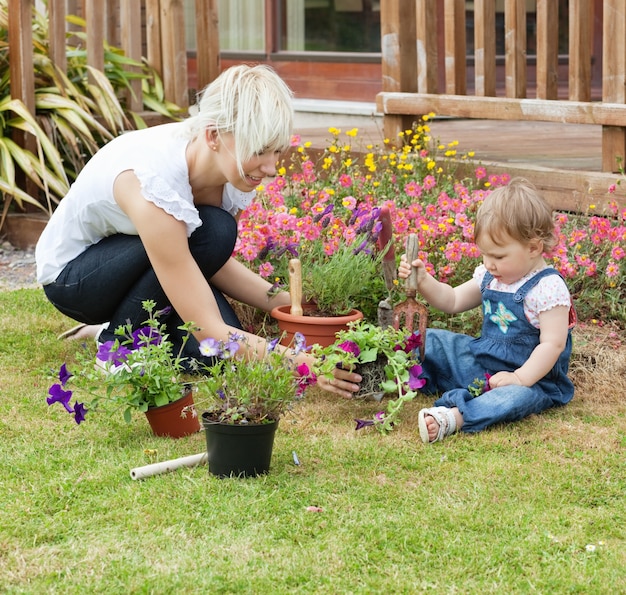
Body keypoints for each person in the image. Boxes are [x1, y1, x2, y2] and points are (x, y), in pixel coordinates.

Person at [35, 64, 360, 397]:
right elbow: (208, 327)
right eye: (259, 151)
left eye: (277, 150)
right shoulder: (154, 182)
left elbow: (208, 261)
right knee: (216, 300)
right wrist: (305, 365)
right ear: (214, 136)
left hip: (142, 263)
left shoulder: (224, 170)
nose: (272, 167)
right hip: (76, 280)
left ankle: (127, 323)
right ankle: (119, 344)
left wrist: (297, 303)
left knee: (214, 359)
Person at [398, 177, 576, 443]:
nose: (490, 264)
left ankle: (455, 417)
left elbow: (553, 344)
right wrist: (424, 281)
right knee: (432, 340)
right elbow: (453, 300)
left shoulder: (548, 288)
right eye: (485, 254)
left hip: (533, 380)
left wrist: (519, 377)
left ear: (533, 247)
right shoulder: (489, 277)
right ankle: (391, 374)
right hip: (482, 366)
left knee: (513, 399)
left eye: (499, 256)